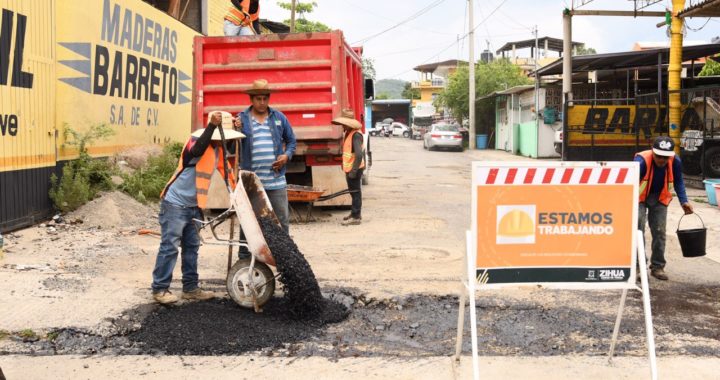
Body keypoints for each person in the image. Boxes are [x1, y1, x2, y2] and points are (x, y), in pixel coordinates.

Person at [151, 111, 244, 304]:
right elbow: (196, 151)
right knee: (170, 247)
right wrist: (211, 127)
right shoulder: (195, 140)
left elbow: (228, 174)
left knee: (192, 247)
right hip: (175, 203)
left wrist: (239, 198)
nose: (222, 142)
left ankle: (190, 288)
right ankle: (160, 289)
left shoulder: (218, 150)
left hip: (194, 206)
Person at [236, 79, 296, 233]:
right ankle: (245, 255)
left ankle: (284, 256)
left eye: (265, 98)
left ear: (269, 98)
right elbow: (232, 148)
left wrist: (286, 156)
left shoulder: (279, 117)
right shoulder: (241, 119)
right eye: (258, 99)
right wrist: (235, 130)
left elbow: (291, 141)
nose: (262, 102)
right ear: (251, 100)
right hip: (252, 181)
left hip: (276, 180)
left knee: (281, 220)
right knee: (249, 219)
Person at [635, 136, 693, 281]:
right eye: (659, 156)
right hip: (638, 198)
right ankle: (637, 266)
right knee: (638, 230)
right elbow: (629, 184)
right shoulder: (641, 162)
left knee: (660, 231)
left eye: (665, 157)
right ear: (652, 152)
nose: (661, 160)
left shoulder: (675, 161)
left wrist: (684, 201)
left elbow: (679, 181)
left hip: (660, 197)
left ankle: (658, 266)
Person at [332, 109, 365, 226]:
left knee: (356, 193)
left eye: (343, 124)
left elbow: (359, 155)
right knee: (353, 193)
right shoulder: (348, 133)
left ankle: (356, 217)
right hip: (350, 168)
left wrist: (354, 170)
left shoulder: (356, 135)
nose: (342, 126)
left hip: (354, 169)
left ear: (348, 124)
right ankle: (354, 213)